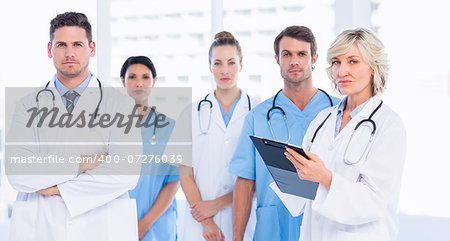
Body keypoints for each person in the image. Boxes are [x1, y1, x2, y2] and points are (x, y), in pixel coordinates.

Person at [6, 12, 140, 241]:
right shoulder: (28, 104)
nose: (69, 53)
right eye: (61, 45)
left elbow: (126, 173)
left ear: (92, 48)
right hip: (42, 226)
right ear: (50, 50)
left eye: (77, 44)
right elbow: (17, 171)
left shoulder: (120, 104)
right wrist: (84, 162)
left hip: (101, 227)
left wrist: (57, 188)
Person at [272, 28, 406, 241]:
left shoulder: (389, 125)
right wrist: (287, 169)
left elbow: (373, 202)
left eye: (353, 61)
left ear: (373, 67)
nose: (342, 71)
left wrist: (324, 176)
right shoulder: (322, 120)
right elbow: (303, 195)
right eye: (336, 62)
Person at [229, 26, 340, 241]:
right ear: (277, 59)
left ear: (314, 58)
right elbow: (244, 181)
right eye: (287, 54)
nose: (294, 61)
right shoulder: (258, 117)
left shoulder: (337, 113)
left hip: (324, 226)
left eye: (301, 54)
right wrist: (237, 238)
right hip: (272, 228)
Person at [178, 31, 256, 241]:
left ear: (241, 65)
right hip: (199, 226)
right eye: (217, 63)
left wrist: (215, 204)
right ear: (209, 66)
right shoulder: (191, 113)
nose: (224, 70)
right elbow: (185, 175)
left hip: (243, 221)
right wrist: (206, 220)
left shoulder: (257, 112)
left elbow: (260, 178)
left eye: (231, 63)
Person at [121, 56, 180, 241]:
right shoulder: (108, 128)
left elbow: (174, 180)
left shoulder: (170, 128)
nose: (139, 83)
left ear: (154, 82)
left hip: (157, 226)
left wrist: (145, 223)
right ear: (123, 81)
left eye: (145, 77)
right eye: (132, 77)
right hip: (119, 220)